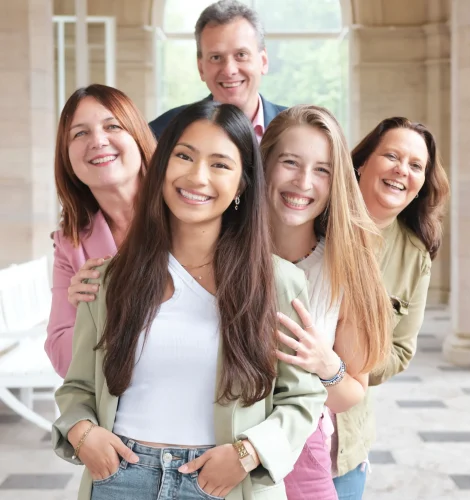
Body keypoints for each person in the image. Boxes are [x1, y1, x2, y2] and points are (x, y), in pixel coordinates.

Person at [52, 101, 326, 500]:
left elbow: (303, 395)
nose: (197, 176)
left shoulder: (277, 282)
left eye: (220, 164)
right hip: (118, 478)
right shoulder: (110, 279)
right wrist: (83, 434)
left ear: (242, 184)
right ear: (161, 167)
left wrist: (248, 454)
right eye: (184, 156)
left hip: (223, 482)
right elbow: (76, 387)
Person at [261, 105, 392, 500]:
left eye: (322, 170)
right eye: (290, 162)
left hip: (303, 456)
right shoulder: (220, 250)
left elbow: (352, 392)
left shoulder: (347, 267)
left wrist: (325, 364)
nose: (303, 182)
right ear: (264, 164)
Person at [331, 117, 450, 499]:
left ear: (420, 185)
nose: (402, 169)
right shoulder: (313, 219)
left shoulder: (416, 257)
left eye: (416, 165)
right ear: (362, 163)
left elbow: (400, 351)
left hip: (342, 444)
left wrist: (342, 363)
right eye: (392, 156)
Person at [45, 84, 157, 378]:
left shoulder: (184, 214)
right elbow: (61, 357)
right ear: (67, 158)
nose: (97, 141)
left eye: (112, 126)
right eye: (80, 133)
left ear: (138, 138)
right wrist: (84, 314)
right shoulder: (70, 243)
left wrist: (102, 319)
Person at [149, 0, 285, 141]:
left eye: (241, 55)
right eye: (216, 57)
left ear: (263, 61)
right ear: (201, 68)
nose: (229, 70)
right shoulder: (163, 132)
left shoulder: (298, 129)